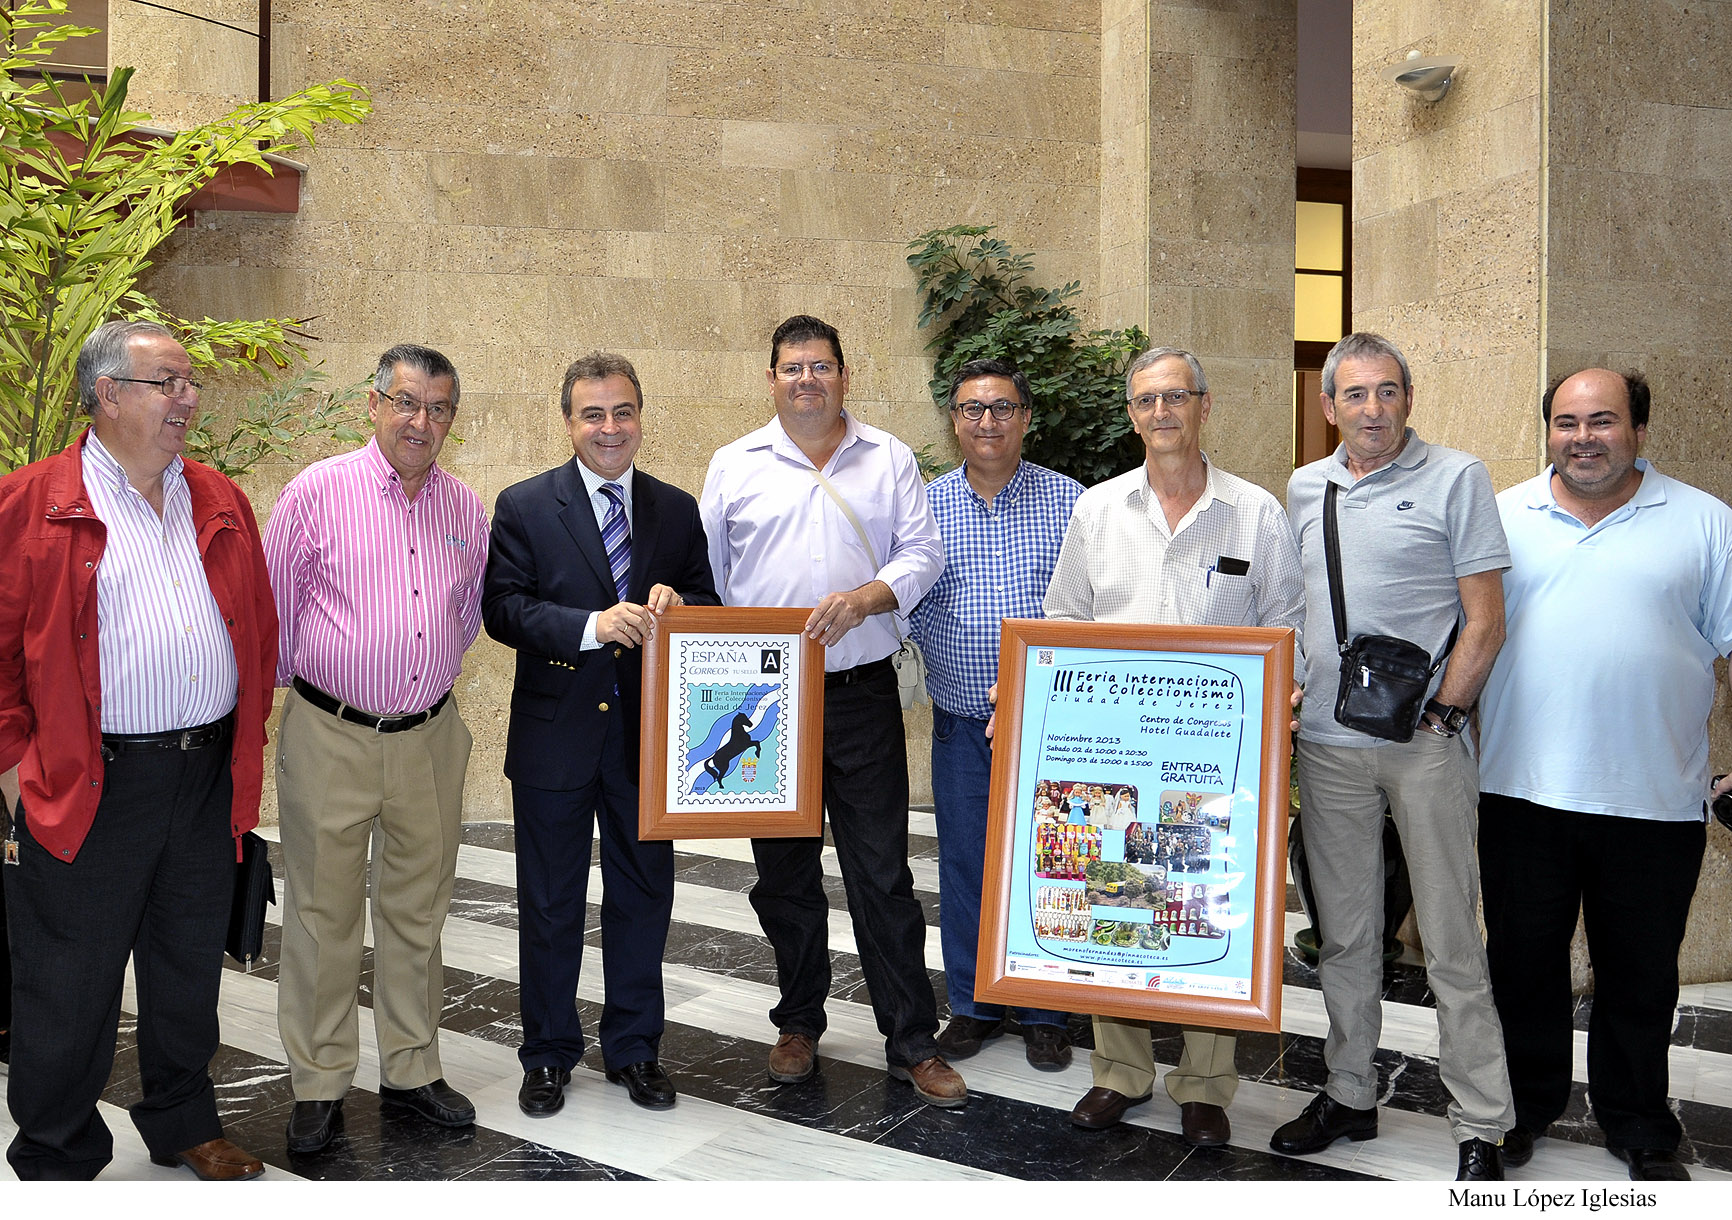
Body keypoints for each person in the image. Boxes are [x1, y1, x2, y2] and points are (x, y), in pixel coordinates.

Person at [0, 319, 275, 1180]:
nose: (187, 399)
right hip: (89, 780)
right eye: (169, 383)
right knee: (68, 978)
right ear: (108, 394)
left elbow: (257, 631)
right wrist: (14, 777)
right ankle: (55, 1147)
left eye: (190, 384)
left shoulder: (219, 497)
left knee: (186, 962)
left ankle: (184, 1123)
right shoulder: (30, 502)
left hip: (203, 775)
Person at [699, 314, 963, 1107]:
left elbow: (923, 553)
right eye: (792, 367)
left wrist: (866, 598)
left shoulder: (889, 458)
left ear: (845, 376)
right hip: (766, 703)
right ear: (771, 379)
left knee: (881, 873)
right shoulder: (734, 465)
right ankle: (798, 1023)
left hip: (861, 695)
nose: (807, 379)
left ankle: (912, 1039)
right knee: (783, 876)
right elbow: (714, 575)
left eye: (821, 366)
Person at [1043, 346, 1304, 1149]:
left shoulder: (1255, 513)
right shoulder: (1097, 510)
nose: (1162, 413)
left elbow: (1288, 624)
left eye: (1177, 397)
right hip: (1115, 753)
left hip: (1215, 759)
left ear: (1204, 405)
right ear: (1132, 415)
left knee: (1203, 901)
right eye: (1147, 401)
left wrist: (1286, 691)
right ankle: (1119, 1072)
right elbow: (1064, 621)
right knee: (1117, 892)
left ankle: (1204, 1085)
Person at [1477, 369, 1732, 1181]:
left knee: (1641, 974)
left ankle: (1640, 1121)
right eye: (1566, 422)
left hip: (1654, 796)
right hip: (1518, 790)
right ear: (1548, 430)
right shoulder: (1500, 517)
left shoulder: (1705, 522)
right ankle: (1519, 1110)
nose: (1583, 438)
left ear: (1639, 431)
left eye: (1603, 421)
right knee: (1522, 967)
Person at [1276, 332, 1513, 1181]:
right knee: (1344, 937)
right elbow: (1292, 609)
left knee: (1450, 939)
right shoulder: (1305, 487)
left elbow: (1485, 617)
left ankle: (1483, 1120)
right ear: (1328, 405)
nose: (1371, 409)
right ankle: (1348, 1093)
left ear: (1409, 399)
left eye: (1387, 392)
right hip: (1328, 749)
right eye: (1355, 394)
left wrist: (1446, 715)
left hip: (1424, 746)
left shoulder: (1458, 477)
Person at [264, 344, 489, 1154]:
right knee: (322, 914)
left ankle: (412, 1068)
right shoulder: (315, 493)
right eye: (405, 402)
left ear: (451, 419)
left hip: (429, 737)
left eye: (437, 408)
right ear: (374, 404)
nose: (420, 421)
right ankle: (319, 1083)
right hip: (331, 733)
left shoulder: (466, 509)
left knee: (418, 911)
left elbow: (466, 616)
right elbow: (275, 614)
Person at [482, 352, 717, 1116]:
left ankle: (635, 1049)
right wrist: (591, 625)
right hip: (555, 736)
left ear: (640, 418)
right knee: (550, 901)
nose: (609, 428)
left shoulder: (676, 509)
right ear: (568, 422)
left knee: (643, 896)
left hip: (651, 741)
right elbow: (503, 609)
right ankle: (548, 1055)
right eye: (593, 414)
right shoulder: (524, 505)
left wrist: (682, 606)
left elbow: (709, 601)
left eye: (622, 412)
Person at [907, 357, 1084, 1071]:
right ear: (954, 421)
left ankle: (1044, 1011)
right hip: (960, 723)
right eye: (973, 409)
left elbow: (1088, 609)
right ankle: (974, 1004)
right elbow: (905, 600)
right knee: (965, 868)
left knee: (1053, 864)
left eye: (1003, 407)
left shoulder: (1071, 501)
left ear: (1026, 418)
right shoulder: (925, 505)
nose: (988, 421)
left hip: (1050, 724)